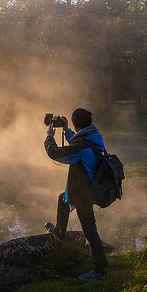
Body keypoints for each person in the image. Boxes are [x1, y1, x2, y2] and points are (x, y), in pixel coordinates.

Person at [44, 108, 108, 281]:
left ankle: (100, 270)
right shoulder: (94, 136)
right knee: (62, 199)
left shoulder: (82, 146)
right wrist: (66, 131)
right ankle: (59, 234)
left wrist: (50, 136)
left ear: (75, 123)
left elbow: (55, 153)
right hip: (89, 187)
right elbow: (78, 144)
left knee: (89, 230)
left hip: (83, 194)